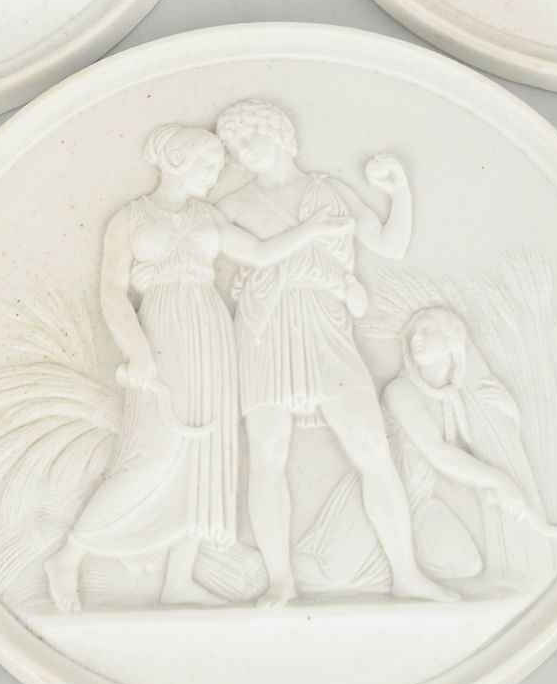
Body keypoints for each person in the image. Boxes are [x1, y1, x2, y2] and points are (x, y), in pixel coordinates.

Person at [43, 125, 347, 612]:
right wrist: (138, 353)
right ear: (176, 160)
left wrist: (312, 230)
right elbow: (111, 292)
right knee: (153, 454)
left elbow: (260, 253)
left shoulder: (207, 217)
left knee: (204, 457)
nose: (216, 173)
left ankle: (179, 580)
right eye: (208, 164)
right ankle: (69, 555)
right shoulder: (130, 218)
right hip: (162, 331)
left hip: (210, 333)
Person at [213, 100, 456, 606]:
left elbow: (391, 245)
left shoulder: (330, 192)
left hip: (327, 329)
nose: (242, 151)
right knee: (267, 456)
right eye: (234, 146)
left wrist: (399, 189)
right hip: (264, 330)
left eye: (248, 137)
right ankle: (281, 580)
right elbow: (235, 255)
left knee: (372, 451)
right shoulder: (232, 206)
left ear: (278, 133)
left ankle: (406, 573)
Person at [383, 309, 557, 586]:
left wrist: (512, 414)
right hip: (400, 508)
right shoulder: (400, 391)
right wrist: (500, 482)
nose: (416, 337)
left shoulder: (451, 399)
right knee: (464, 563)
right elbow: (439, 453)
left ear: (452, 341)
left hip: (432, 500)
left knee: (469, 562)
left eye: (427, 330)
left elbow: (471, 448)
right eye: (414, 333)